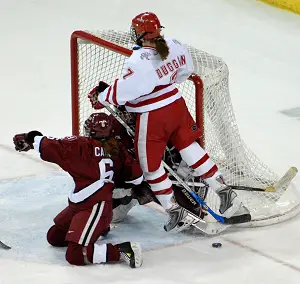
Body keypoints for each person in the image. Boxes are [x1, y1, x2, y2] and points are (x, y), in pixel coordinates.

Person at [88, 12, 247, 232]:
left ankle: (175, 211)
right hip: (177, 106)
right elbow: (185, 72)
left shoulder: (138, 60)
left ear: (140, 34)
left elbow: (127, 91)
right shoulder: (175, 44)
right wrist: (163, 82)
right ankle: (227, 195)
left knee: (150, 168)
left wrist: (103, 97)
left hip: (153, 117)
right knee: (190, 149)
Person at [12, 112, 145, 268]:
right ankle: (99, 228)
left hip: (96, 207)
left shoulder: (80, 146)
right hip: (84, 203)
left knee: (75, 255)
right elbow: (135, 178)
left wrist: (29, 137)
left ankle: (124, 250)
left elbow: (50, 145)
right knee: (54, 237)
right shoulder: (117, 147)